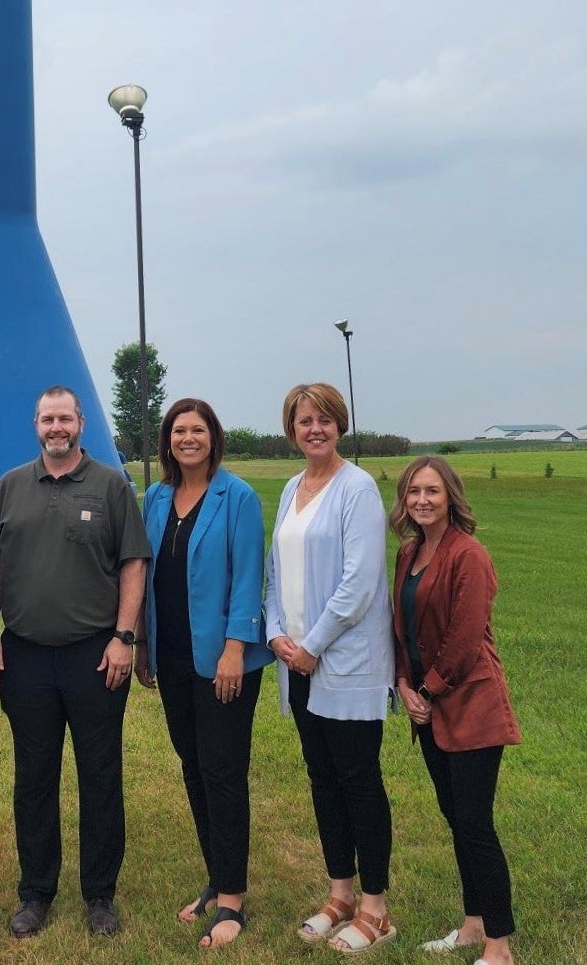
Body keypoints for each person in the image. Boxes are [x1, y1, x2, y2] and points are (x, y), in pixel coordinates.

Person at [0, 384, 151, 939]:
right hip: (25, 655)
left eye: (66, 419)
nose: (57, 428)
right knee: (34, 778)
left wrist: (124, 636)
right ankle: (36, 892)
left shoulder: (110, 486)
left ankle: (100, 894)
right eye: (48, 419)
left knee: (100, 775)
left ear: (81, 424)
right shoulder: (9, 488)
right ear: (36, 425)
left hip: (95, 654)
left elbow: (132, 563)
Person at [266, 382, 396, 953]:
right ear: (291, 429)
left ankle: (375, 908)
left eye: (323, 419)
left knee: (358, 781)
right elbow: (275, 568)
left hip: (343, 664)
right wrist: (275, 632)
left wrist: (312, 644)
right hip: (296, 662)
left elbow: (359, 582)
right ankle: (338, 892)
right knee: (322, 781)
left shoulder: (358, 489)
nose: (313, 429)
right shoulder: (292, 487)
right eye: (303, 421)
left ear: (339, 425)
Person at [136, 398, 269, 949]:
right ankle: (216, 878)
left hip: (222, 660)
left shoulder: (236, 497)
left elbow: (247, 576)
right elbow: (145, 576)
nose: (188, 438)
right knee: (193, 767)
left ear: (214, 437)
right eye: (178, 430)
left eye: (198, 430)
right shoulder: (156, 497)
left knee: (222, 771)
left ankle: (234, 899)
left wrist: (236, 647)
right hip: (171, 657)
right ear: (167, 440)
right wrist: (142, 644)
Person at [391, 457, 520, 964]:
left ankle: (499, 946)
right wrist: (404, 683)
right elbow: (400, 626)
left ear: (451, 498)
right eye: (414, 492)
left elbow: (466, 639)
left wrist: (427, 688)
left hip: (471, 705)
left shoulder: (470, 556)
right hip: (427, 706)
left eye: (433, 491)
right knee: (455, 818)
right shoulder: (409, 552)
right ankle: (472, 924)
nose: (422, 500)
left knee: (474, 822)